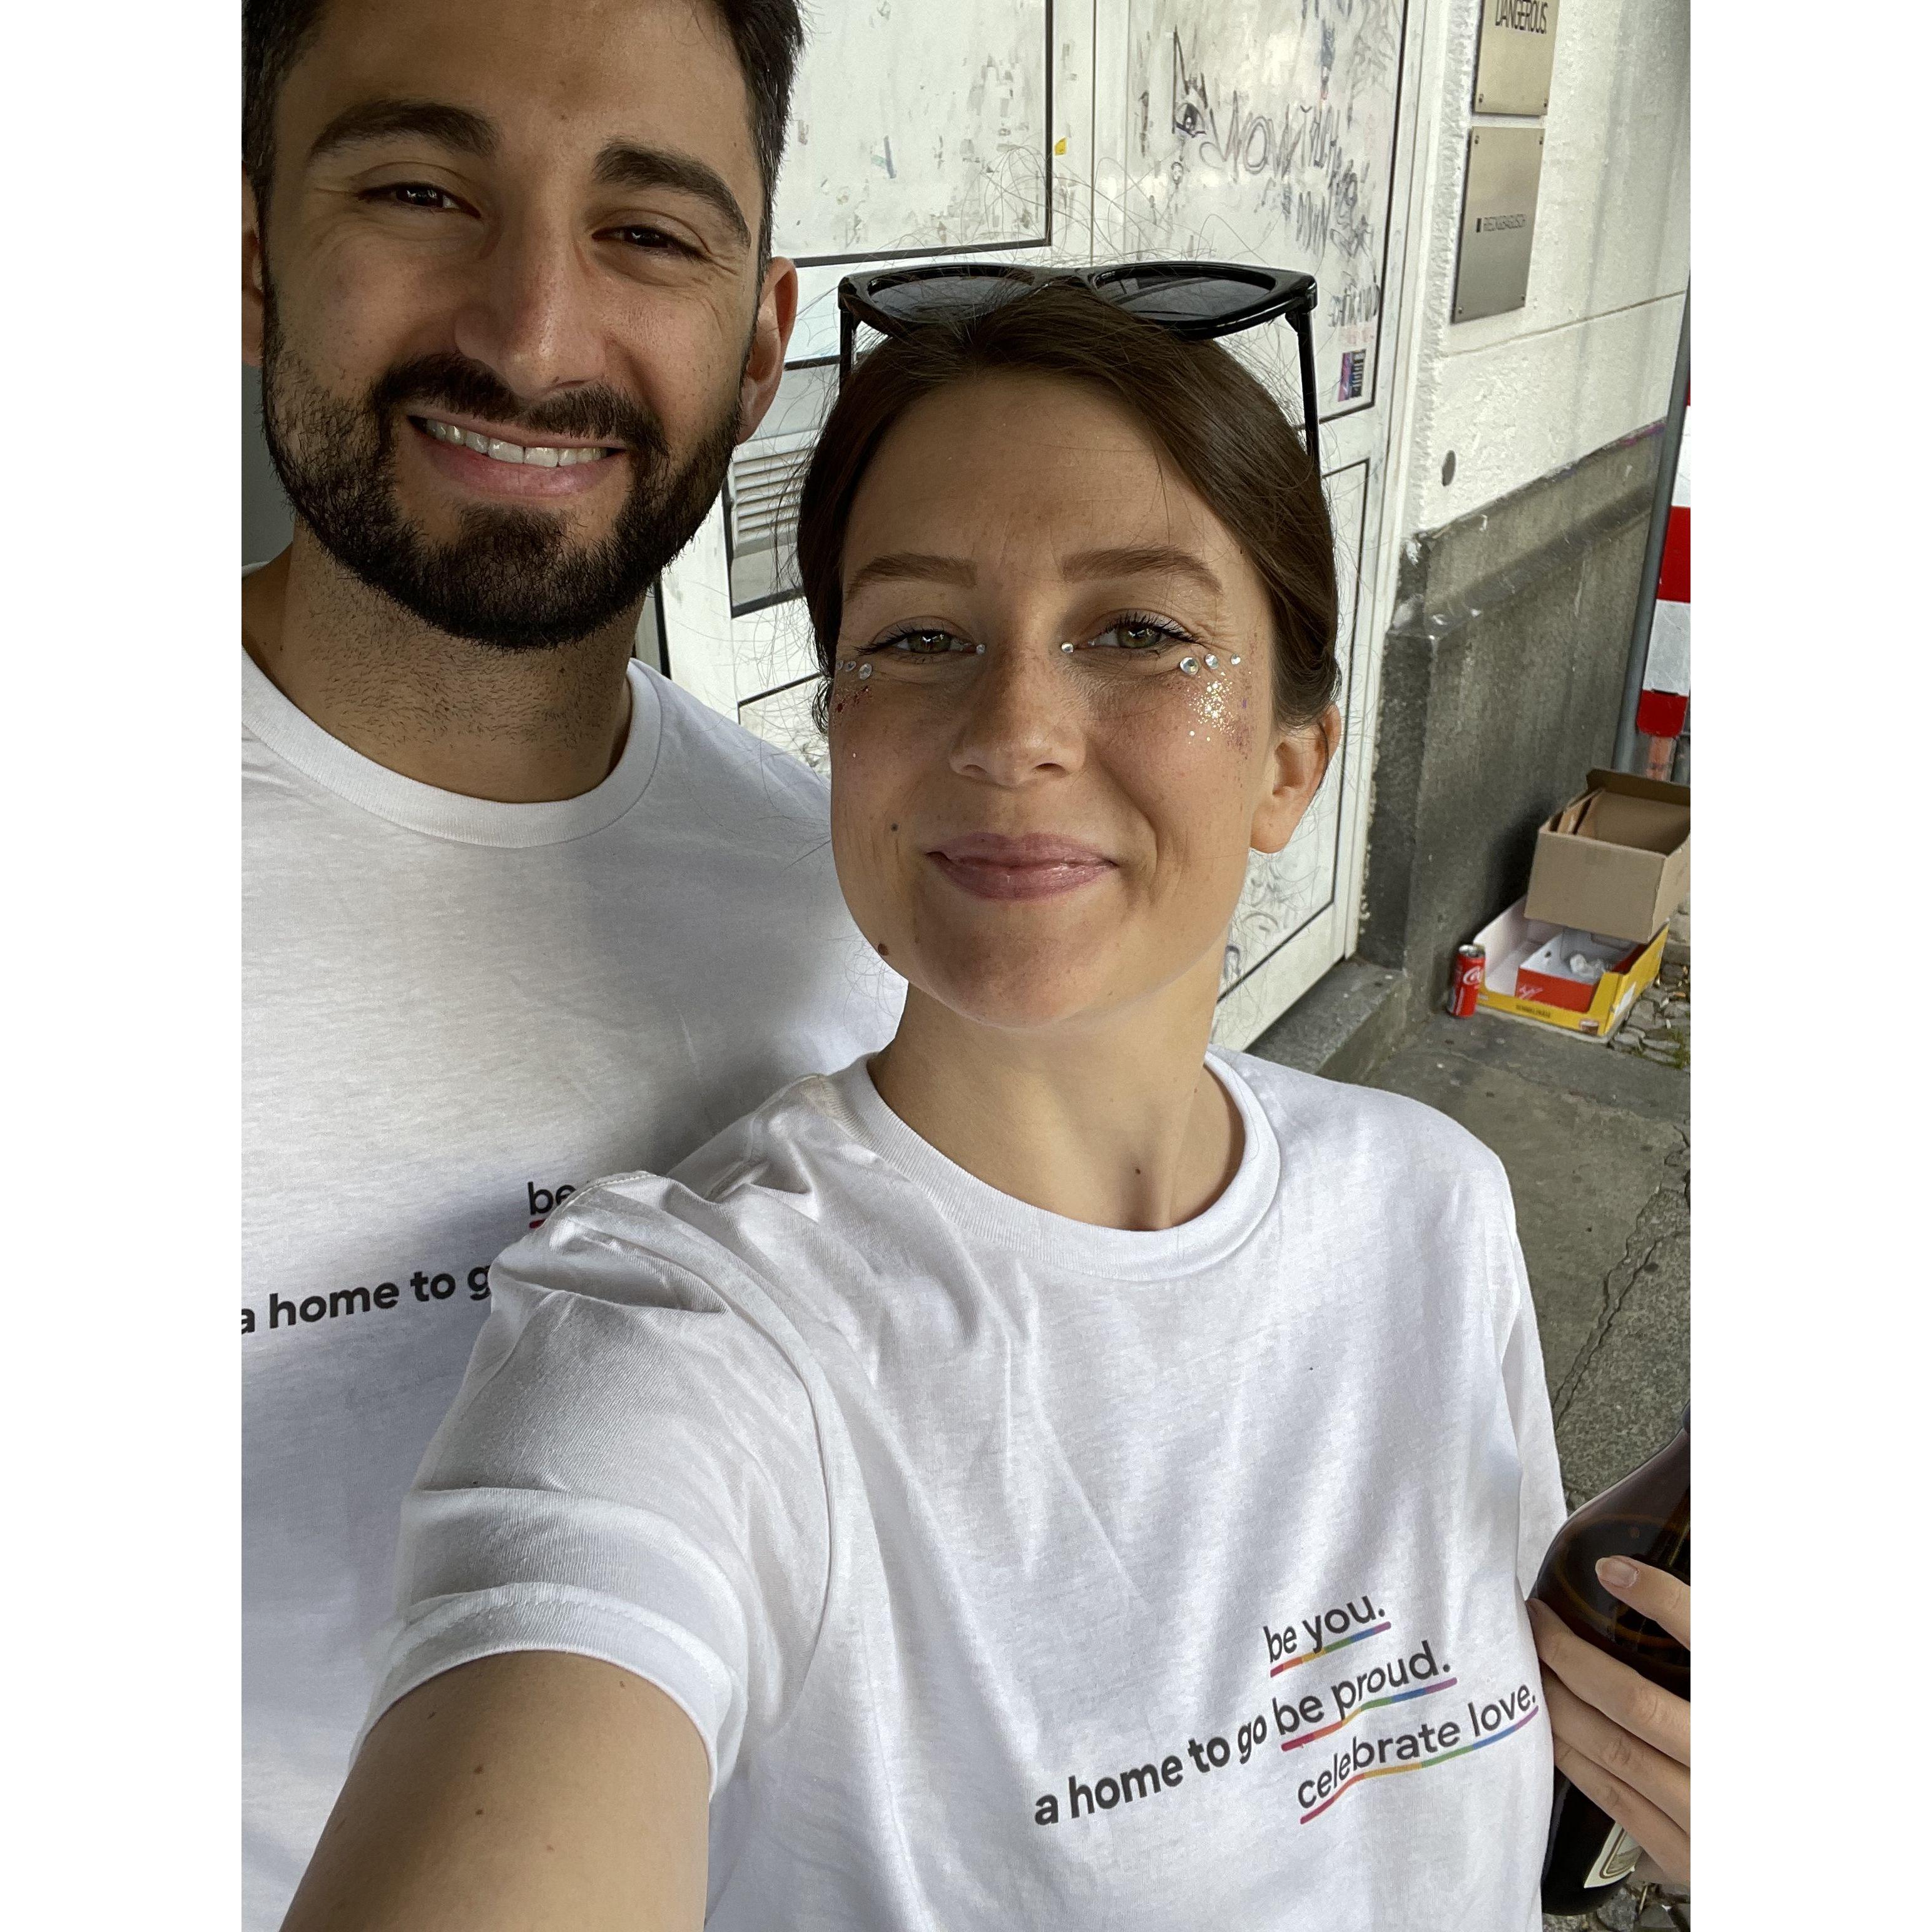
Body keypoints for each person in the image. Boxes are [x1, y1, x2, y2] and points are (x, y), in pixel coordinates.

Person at [280, 280, 1692, 1931]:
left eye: (1140, 633)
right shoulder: (698, 1343)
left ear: (1295, 762)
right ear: (839, 731)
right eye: (919, 640)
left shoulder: (1434, 1199)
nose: (1012, 731)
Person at [239, 1, 898, 1923]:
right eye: (424, 188)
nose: (531, 335)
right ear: (249, 258)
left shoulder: (843, 909)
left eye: (649, 232)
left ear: (762, 342)